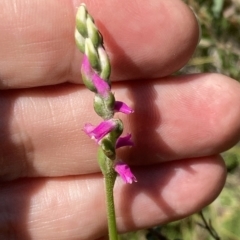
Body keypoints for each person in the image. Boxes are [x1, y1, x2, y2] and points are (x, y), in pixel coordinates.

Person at [0, 0, 239, 239]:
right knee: (112, 124)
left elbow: (110, 111)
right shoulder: (108, 115)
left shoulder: (111, 117)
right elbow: (106, 106)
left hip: (111, 135)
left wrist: (110, 132)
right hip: (109, 134)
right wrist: (105, 130)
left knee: (113, 125)